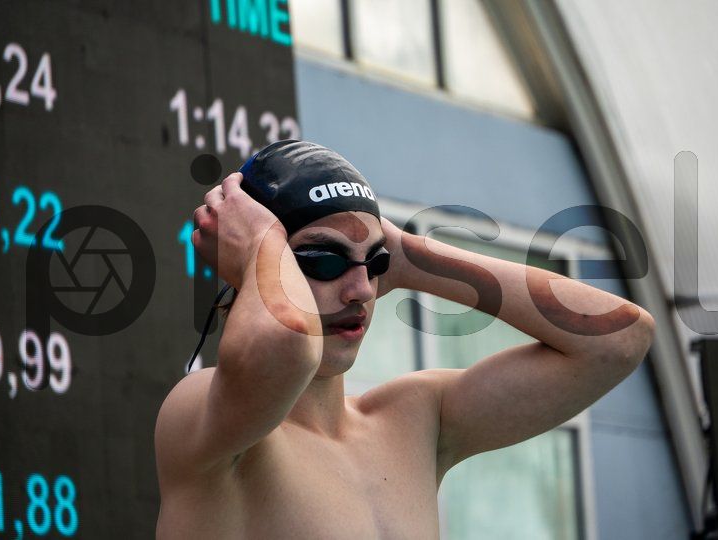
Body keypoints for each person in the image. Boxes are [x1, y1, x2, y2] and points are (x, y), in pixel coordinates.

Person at [154, 140, 655, 539]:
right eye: (323, 261)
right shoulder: (211, 421)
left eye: (375, 264)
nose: (361, 289)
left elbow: (619, 337)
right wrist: (259, 247)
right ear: (254, 262)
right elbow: (288, 341)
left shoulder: (413, 423)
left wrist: (411, 256)